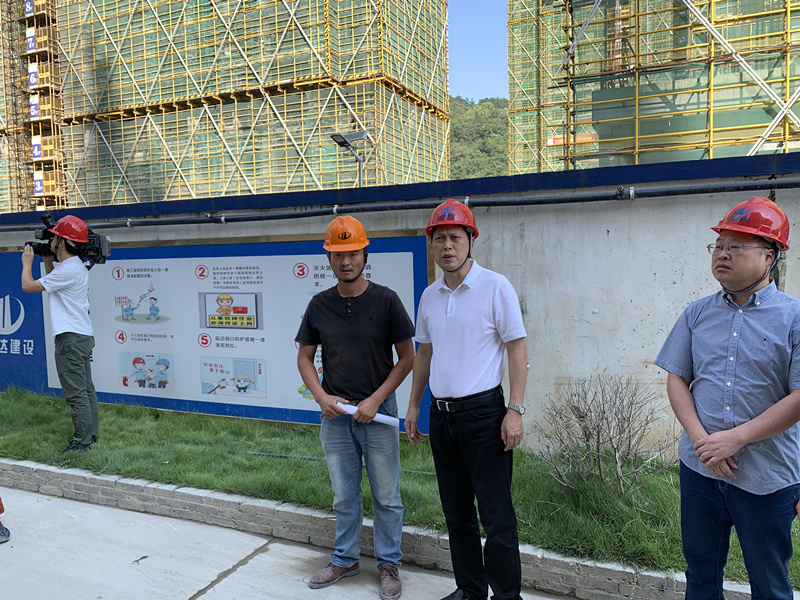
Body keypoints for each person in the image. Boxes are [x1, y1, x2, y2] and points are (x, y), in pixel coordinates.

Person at [655, 196, 800, 600]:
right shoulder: (696, 313)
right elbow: (677, 379)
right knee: (701, 576)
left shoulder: (794, 317)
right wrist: (703, 442)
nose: (722, 254)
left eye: (736, 246)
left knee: (769, 584)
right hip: (700, 471)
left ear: (769, 256)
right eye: (718, 245)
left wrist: (735, 439)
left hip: (767, 476)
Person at [404, 199, 528, 600]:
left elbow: (516, 350)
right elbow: (424, 353)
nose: (447, 246)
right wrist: (414, 405)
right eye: (439, 238)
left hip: (484, 416)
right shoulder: (430, 296)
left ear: (471, 240)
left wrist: (515, 410)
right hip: (443, 418)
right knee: (457, 513)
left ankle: (506, 596)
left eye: (455, 237)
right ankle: (470, 590)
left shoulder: (495, 286)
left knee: (496, 516)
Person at [296, 215, 415, 600]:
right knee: (344, 497)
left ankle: (389, 564)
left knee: (387, 497)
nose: (345, 261)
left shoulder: (386, 300)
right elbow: (304, 358)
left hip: (378, 414)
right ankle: (344, 559)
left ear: (365, 254)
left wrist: (376, 400)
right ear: (328, 258)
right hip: (336, 416)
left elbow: (407, 358)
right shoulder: (319, 305)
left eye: (352, 253)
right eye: (338, 254)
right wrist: (322, 397)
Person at [21, 215, 99, 453]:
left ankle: (81, 443)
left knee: (76, 393)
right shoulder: (74, 267)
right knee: (86, 389)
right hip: (81, 336)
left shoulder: (68, 270)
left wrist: (27, 263)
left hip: (70, 340)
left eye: (54, 237)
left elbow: (28, 286)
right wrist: (47, 259)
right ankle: (90, 436)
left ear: (62, 242)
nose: (51, 241)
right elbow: (53, 283)